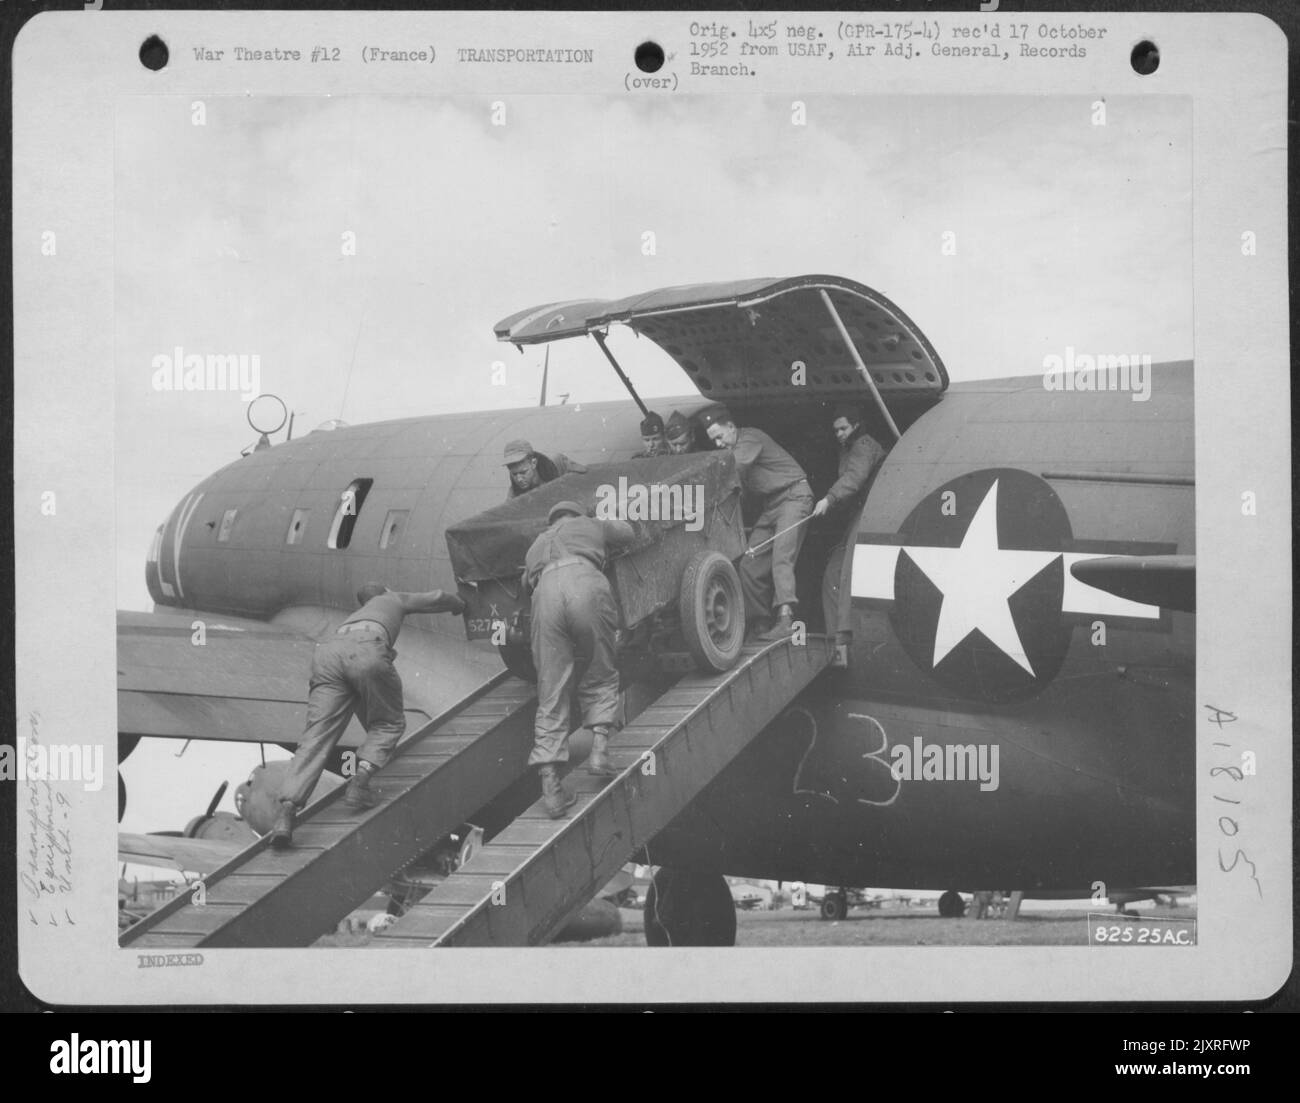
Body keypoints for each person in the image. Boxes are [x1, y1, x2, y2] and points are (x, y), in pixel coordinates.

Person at [271, 582, 467, 848]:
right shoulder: (392, 599)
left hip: (328, 653)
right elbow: (434, 599)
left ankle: (286, 812)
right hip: (366, 650)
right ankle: (360, 782)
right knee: (388, 722)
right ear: (384, 592)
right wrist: (459, 604)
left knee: (316, 736)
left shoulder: (357, 615)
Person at [523, 500, 635, 817]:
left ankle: (551, 788)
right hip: (584, 584)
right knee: (600, 667)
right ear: (575, 514)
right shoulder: (590, 524)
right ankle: (599, 748)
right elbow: (627, 533)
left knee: (551, 690)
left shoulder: (536, 544)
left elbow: (525, 582)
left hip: (544, 596)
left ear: (552, 520)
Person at [699, 406, 813, 639]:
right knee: (749, 564)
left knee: (782, 557)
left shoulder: (749, 439)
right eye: (714, 441)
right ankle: (760, 622)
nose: (718, 444)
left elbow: (733, 470)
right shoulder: (735, 449)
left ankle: (786, 620)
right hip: (771, 506)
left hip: (794, 497)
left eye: (720, 437)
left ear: (731, 427)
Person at [811, 405, 886, 519]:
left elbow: (855, 476)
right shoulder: (848, 447)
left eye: (843, 428)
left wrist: (829, 499)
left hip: (876, 503)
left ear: (855, 426)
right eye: (836, 430)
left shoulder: (862, 445)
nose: (839, 434)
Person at [503, 439, 587, 500]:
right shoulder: (514, 496)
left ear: (533, 463)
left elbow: (585, 477)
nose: (519, 479)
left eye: (523, 472)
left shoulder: (558, 463)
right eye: (514, 474)